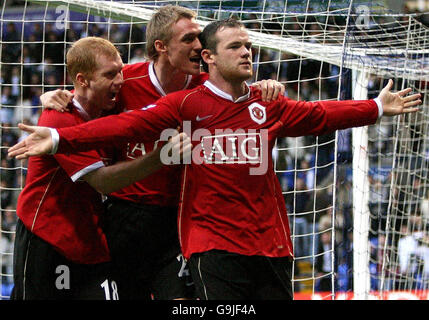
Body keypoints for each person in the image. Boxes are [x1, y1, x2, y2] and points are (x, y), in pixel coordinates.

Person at [9, 19, 421, 300]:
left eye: (249, 46)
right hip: (153, 228)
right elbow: (124, 128)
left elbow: (319, 115)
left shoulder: (260, 100)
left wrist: (375, 107)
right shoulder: (176, 101)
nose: (247, 53)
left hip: (252, 240)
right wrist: (60, 133)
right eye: (235, 46)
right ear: (166, 48)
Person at [40, 5, 285, 300]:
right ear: (161, 46)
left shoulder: (208, 87)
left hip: (179, 218)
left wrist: (267, 86)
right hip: (125, 216)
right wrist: (54, 95)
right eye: (189, 39)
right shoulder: (123, 81)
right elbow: (84, 96)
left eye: (200, 38)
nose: (199, 46)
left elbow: (242, 98)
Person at [10, 37, 190, 300]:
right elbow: (103, 182)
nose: (120, 80)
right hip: (47, 238)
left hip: (90, 240)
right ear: (83, 80)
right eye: (110, 74)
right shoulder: (59, 118)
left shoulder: (107, 108)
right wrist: (160, 157)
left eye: (120, 70)